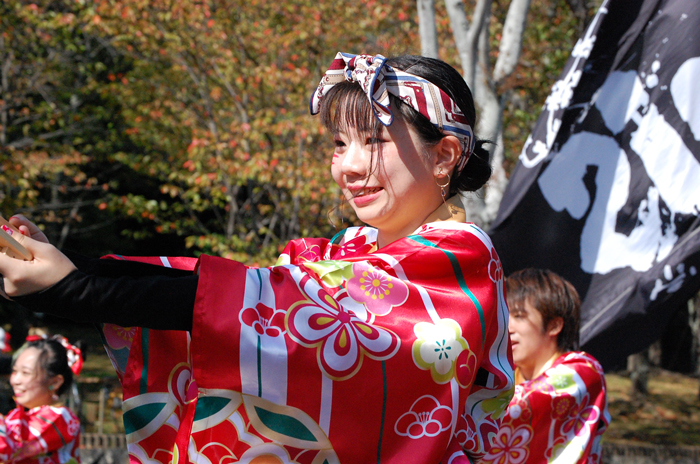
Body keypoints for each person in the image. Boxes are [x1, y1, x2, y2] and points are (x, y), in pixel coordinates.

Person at [0, 53, 513, 463]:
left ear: (444, 154)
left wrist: (77, 288)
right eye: (339, 143)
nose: (349, 167)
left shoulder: (460, 257)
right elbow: (241, 301)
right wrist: (74, 268)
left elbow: (284, 323)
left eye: (375, 141)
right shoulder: (344, 249)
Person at [482, 268, 610, 464]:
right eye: (503, 316)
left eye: (519, 316)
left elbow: (514, 406)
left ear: (554, 326)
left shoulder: (583, 371)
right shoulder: (503, 378)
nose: (507, 328)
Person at [0, 337, 82, 464]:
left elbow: (8, 447)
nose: (15, 381)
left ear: (55, 382)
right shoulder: (23, 417)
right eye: (15, 371)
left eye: (26, 373)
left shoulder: (60, 419)